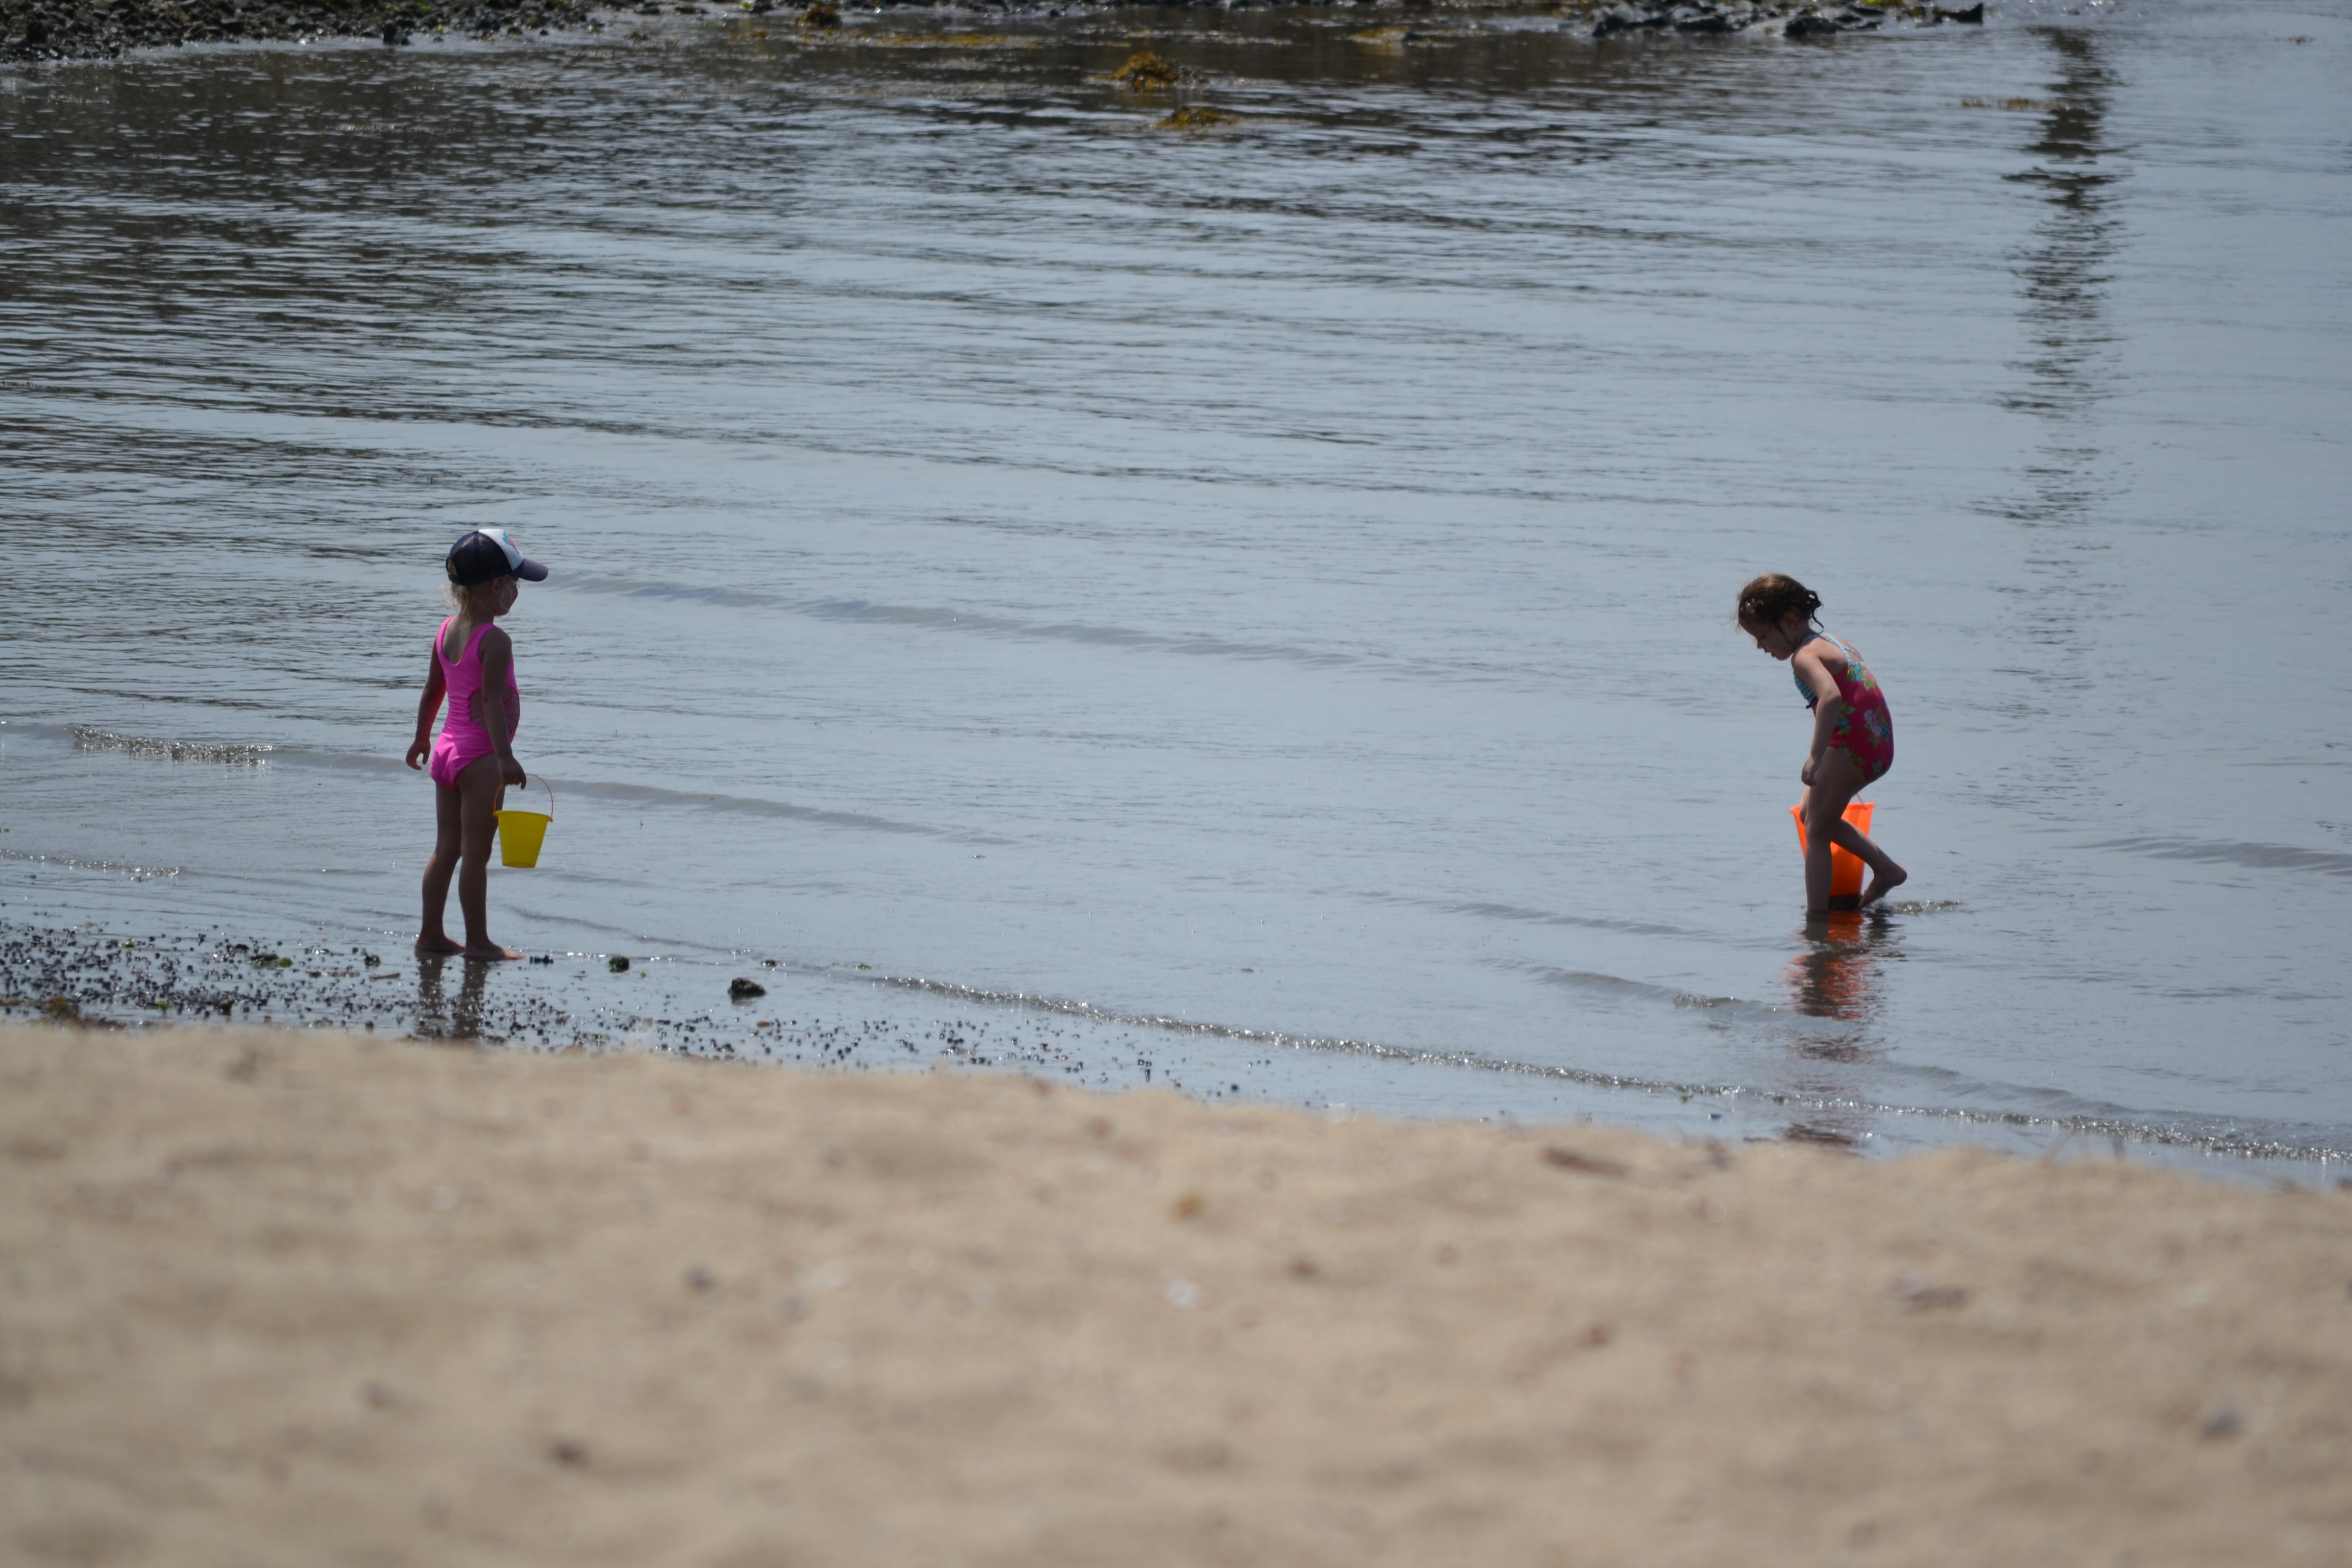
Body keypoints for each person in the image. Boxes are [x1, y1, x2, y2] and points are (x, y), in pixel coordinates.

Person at [406, 528, 549, 959]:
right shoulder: (495, 640)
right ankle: (478, 942)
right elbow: (490, 701)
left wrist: (421, 737)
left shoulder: (445, 631)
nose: (516, 593)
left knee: (446, 848)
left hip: (447, 752)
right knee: (475, 855)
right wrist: (505, 756)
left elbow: (433, 690)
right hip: (481, 758)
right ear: (494, 587)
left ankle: (431, 935)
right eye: (514, 584)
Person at [1736, 573, 1907, 915]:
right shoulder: (1834, 642)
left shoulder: (1803, 657)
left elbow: (1831, 697)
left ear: (1790, 621)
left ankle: (1816, 921)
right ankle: (1886, 869)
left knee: (1816, 832)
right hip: (1877, 743)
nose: (1760, 646)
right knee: (1810, 815)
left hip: (1853, 745)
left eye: (1763, 636)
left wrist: (1815, 756)